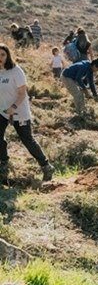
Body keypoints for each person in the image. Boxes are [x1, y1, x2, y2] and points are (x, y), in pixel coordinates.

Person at [0, 41, 53, 185]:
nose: (0, 57)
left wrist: (13, 107)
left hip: (18, 110)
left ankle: (46, 166)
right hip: (2, 111)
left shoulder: (16, 71)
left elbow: (22, 93)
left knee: (27, 140)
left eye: (3, 54)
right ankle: (4, 162)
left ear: (8, 56)